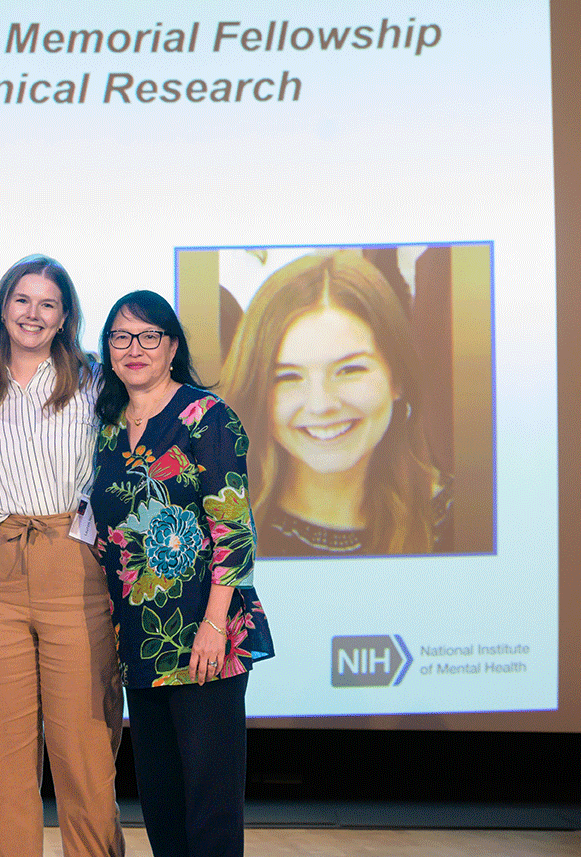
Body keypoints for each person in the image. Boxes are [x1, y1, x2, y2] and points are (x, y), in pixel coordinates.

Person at [90, 289, 274, 857]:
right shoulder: (106, 427)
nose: (135, 348)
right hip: (141, 637)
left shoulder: (206, 416)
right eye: (121, 337)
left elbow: (233, 528)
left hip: (204, 633)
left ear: (172, 346)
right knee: (163, 807)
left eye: (149, 336)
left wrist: (215, 623)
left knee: (210, 809)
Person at [0, 254, 124, 857]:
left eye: (47, 304)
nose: (33, 313)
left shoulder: (95, 383)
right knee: (1, 754)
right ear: (3, 309)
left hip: (71, 561)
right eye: (22, 300)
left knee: (83, 747)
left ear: (64, 318)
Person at [219, 250, 452, 556]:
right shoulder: (214, 527)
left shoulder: (462, 521)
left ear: (397, 379)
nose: (321, 404)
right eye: (288, 377)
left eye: (350, 370)